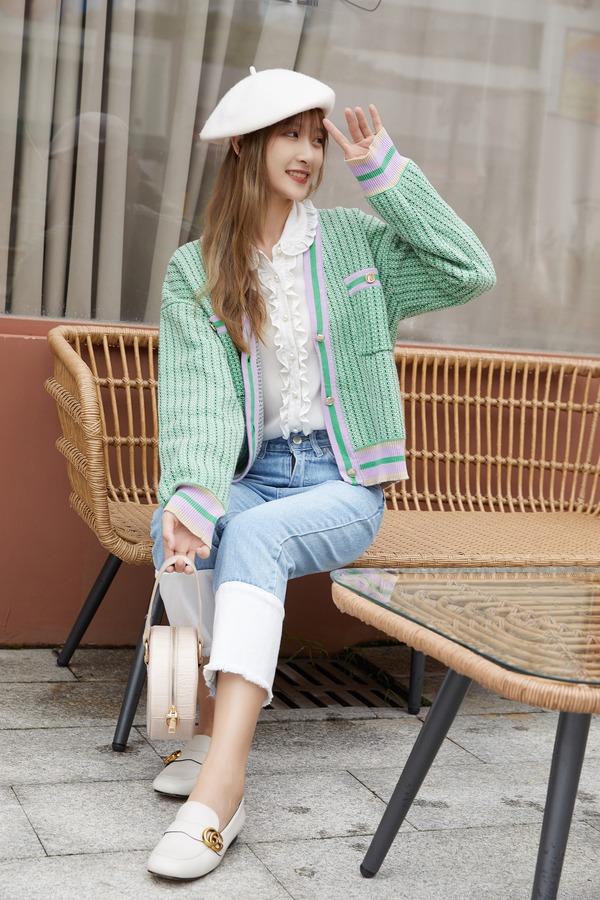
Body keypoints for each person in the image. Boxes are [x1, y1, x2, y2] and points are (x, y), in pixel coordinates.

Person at [147, 66, 496, 881]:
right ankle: (182, 730)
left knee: (255, 539)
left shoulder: (354, 243)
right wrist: (192, 496)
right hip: (258, 470)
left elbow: (468, 269)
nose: (307, 153)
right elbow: (199, 399)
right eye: (289, 135)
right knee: (178, 533)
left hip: (341, 482)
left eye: (316, 138)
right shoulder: (198, 268)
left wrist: (386, 175)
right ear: (247, 145)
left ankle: (222, 789)